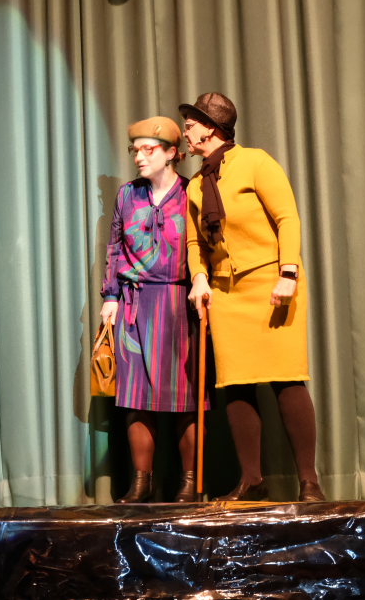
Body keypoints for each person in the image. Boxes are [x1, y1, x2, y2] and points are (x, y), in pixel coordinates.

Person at [181, 92, 325, 502]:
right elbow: (194, 242)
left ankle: (309, 482)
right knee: (236, 384)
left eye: (191, 125)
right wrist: (199, 278)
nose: (186, 133)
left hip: (270, 283)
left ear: (211, 128)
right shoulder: (196, 185)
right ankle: (252, 480)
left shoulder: (256, 162)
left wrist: (288, 272)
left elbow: (287, 218)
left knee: (286, 377)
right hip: (226, 292)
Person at [100, 116, 201, 503]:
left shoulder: (191, 193)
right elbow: (114, 247)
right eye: (135, 150)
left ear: (172, 153)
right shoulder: (127, 195)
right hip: (135, 304)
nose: (139, 157)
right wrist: (110, 296)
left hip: (178, 304)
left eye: (148, 150)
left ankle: (188, 484)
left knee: (185, 398)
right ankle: (142, 483)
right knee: (136, 398)